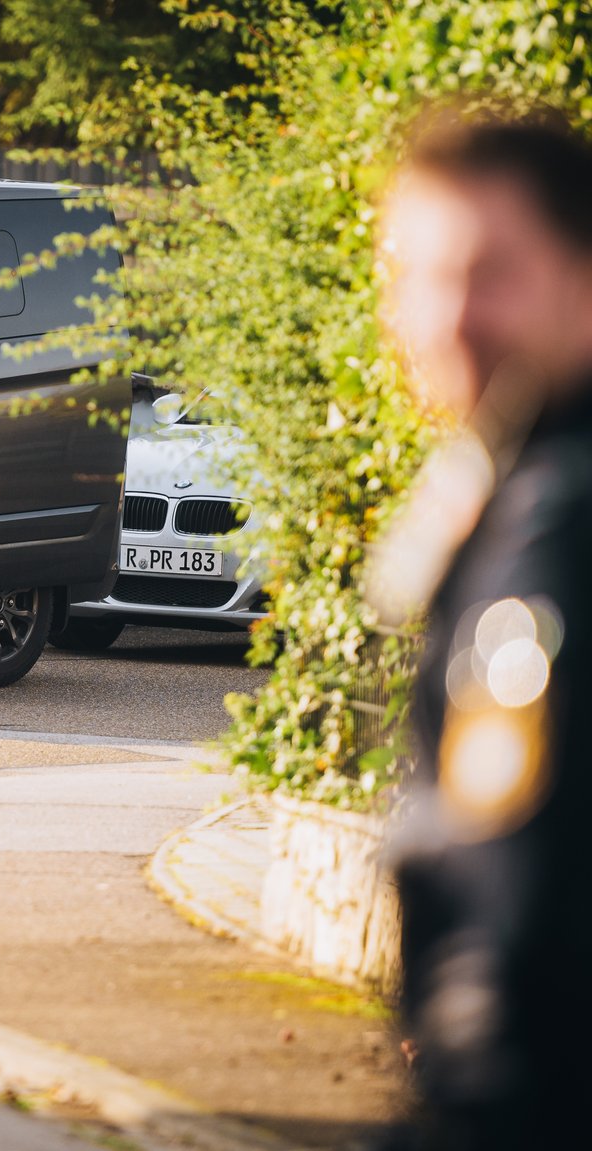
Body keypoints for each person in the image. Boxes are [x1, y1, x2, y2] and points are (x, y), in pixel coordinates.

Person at [374, 107, 592, 1150]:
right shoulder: (517, 475)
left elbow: (518, 908)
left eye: (490, 271)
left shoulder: (555, 526)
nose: (448, 315)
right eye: (416, 277)